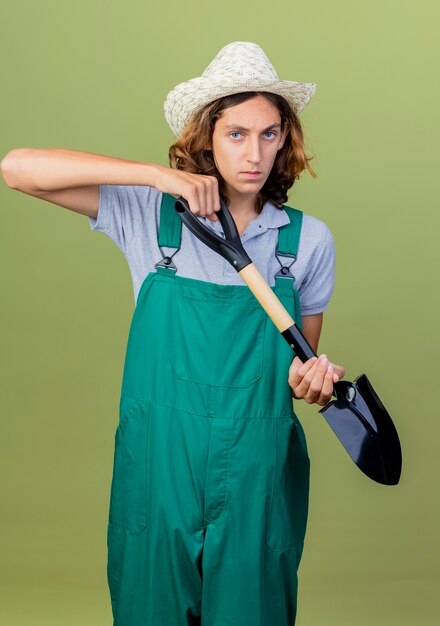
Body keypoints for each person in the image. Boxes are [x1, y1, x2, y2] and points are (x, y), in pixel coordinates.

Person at [1, 41, 345, 626]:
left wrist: (311, 381)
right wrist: (156, 176)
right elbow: (17, 168)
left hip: (256, 472)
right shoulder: (150, 218)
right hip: (161, 467)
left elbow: (295, 371)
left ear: (286, 137)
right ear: (207, 137)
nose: (253, 152)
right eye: (236, 133)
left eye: (268, 133)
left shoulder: (306, 244)